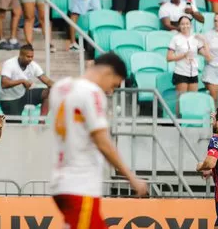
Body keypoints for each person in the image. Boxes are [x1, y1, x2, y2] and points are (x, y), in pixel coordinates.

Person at [49, 52, 148, 227]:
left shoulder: (60, 88)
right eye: (114, 84)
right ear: (108, 73)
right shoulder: (92, 93)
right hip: (81, 185)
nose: (110, 90)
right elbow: (102, 142)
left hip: (61, 181)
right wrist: (131, 178)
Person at [167, 16, 212, 108]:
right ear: (179, 26)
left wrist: (204, 40)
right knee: (181, 101)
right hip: (181, 72)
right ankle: (178, 122)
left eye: (187, 23)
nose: (185, 26)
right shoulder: (175, 39)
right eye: (182, 24)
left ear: (191, 25)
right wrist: (183, 55)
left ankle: (191, 122)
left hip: (193, 73)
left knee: (192, 101)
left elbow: (208, 56)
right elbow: (169, 57)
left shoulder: (195, 38)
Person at [0, 44, 51, 117]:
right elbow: (4, 84)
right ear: (21, 55)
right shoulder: (9, 64)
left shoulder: (33, 65)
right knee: (16, 125)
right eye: (28, 56)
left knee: (50, 92)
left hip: (24, 94)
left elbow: (47, 81)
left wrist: (57, 86)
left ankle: (42, 121)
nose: (30, 59)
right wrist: (22, 81)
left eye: (32, 57)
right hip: (9, 99)